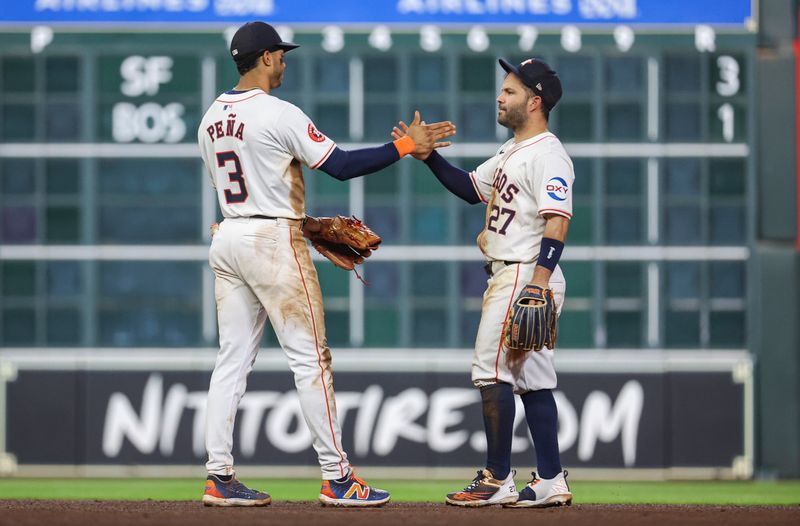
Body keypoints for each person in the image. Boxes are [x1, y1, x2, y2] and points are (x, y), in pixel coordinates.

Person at [198, 21, 455, 507]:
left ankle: (218, 475)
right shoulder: (278, 112)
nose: (285, 61)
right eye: (281, 54)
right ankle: (338, 477)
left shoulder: (210, 119)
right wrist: (404, 146)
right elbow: (340, 166)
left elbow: (244, 189)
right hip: (272, 240)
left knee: (230, 360)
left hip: (229, 235)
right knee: (310, 359)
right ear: (268, 57)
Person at [392, 57, 574, 508]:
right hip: (518, 273)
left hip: (523, 272)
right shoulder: (511, 152)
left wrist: (539, 281)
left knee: (490, 370)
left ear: (535, 102)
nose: (500, 96)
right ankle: (550, 479)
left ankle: (497, 477)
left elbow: (557, 222)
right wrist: (429, 156)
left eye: (510, 91)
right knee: (533, 380)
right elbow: (470, 187)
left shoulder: (548, 153)